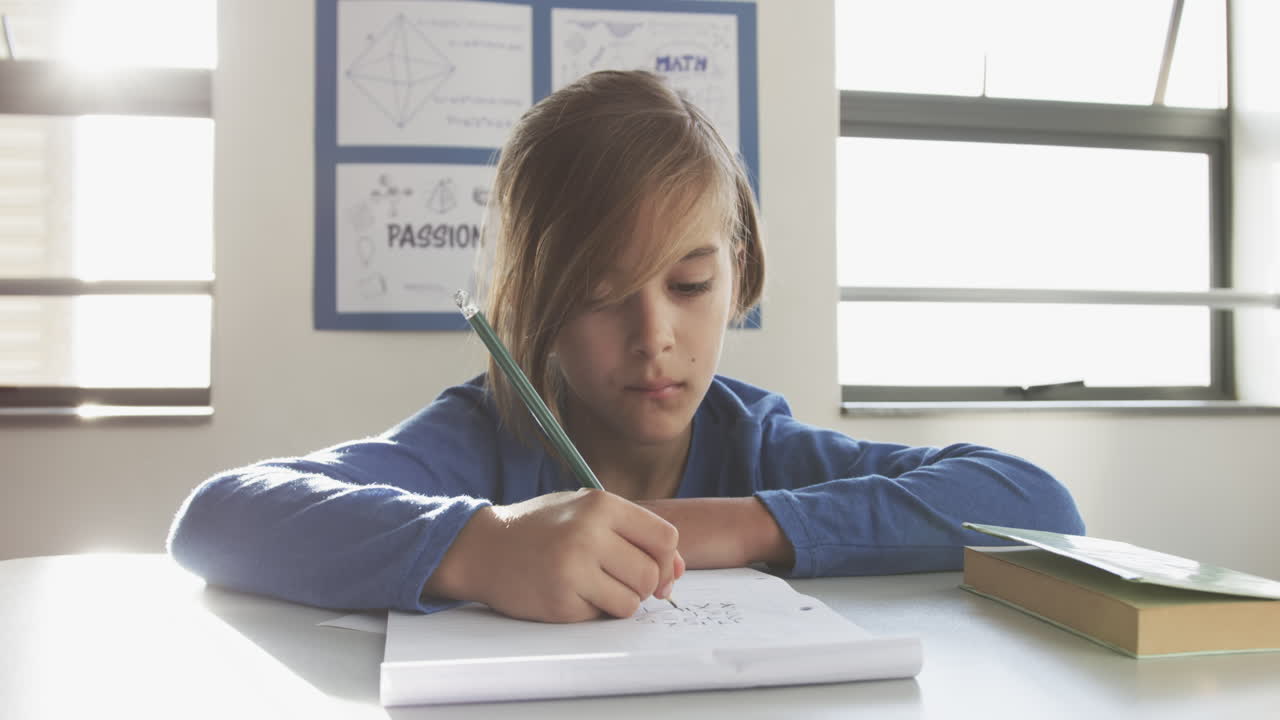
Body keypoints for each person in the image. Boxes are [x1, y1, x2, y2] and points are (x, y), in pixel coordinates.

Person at [168, 70, 1084, 623]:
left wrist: (737, 525)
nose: (657, 337)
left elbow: (1039, 506)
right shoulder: (483, 441)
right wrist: (483, 549)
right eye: (603, 295)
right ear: (535, 307)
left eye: (690, 285)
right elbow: (218, 518)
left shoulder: (763, 445)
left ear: (741, 275)